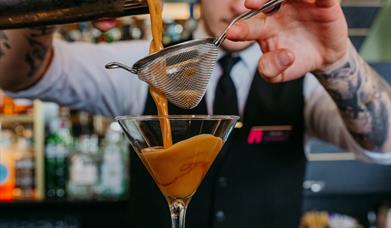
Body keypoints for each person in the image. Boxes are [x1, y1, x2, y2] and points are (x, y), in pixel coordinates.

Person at [0, 0, 391, 227]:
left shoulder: (302, 74)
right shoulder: (142, 64)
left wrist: (338, 61)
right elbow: (20, 74)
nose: (240, 4)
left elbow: (383, 146)